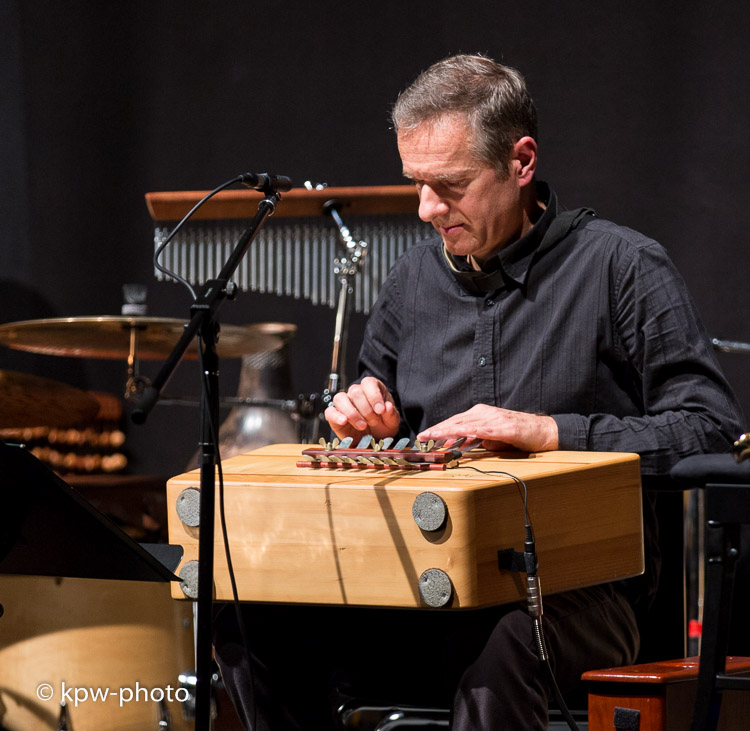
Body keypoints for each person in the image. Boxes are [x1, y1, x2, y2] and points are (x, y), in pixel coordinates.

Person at [214, 54, 744, 730]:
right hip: (418, 590)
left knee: (502, 639)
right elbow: (376, 411)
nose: (427, 209)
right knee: (247, 619)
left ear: (520, 162)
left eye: (451, 185)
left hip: (577, 597)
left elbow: (711, 429)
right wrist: (366, 420)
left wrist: (549, 432)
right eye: (416, 184)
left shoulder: (623, 267)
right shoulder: (410, 281)